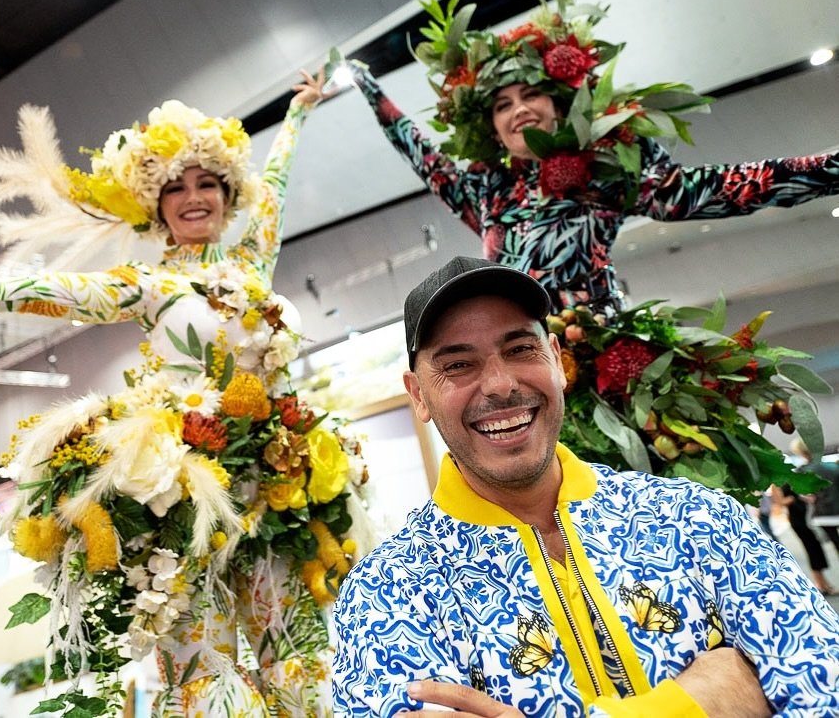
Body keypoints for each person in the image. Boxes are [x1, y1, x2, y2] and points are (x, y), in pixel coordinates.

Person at [341, 0, 837, 497]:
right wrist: (367, 85)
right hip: (519, 374)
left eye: (532, 95)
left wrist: (829, 170)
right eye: (502, 105)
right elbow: (422, 153)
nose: (518, 110)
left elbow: (720, 187)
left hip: (607, 379)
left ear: (562, 105)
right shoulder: (486, 191)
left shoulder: (605, 174)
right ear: (490, 127)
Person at [0, 70, 370, 718]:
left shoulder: (252, 263)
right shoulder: (148, 284)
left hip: (275, 497)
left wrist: (299, 111)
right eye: (177, 187)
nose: (194, 198)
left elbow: (274, 183)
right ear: (157, 204)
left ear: (226, 195)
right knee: (201, 680)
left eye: (208, 184)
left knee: (301, 664)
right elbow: (65, 291)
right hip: (183, 510)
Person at [332, 256, 839, 717]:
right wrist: (706, 697)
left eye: (520, 348)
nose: (501, 385)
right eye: (458, 365)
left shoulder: (693, 517)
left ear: (557, 360)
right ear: (419, 395)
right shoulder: (390, 594)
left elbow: (827, 679)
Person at [772, 483, 835, 595]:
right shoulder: (775, 486)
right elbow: (780, 502)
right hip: (798, 521)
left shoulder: (791, 479)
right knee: (812, 549)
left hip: (806, 517)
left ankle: (824, 583)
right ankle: (820, 584)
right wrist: (794, 498)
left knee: (816, 548)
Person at [791, 436, 839, 556]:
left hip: (822, 513)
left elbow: (806, 496)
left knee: (836, 542)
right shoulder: (833, 466)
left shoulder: (803, 471)